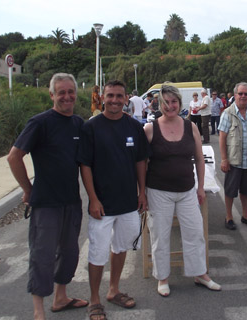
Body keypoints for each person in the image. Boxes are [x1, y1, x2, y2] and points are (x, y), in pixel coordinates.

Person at [7, 73, 88, 320]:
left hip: (71, 201)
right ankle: (38, 310)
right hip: (45, 204)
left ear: (75, 94)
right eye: (61, 92)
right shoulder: (40, 123)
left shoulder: (78, 124)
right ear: (52, 95)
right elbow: (14, 157)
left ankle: (61, 297)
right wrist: (28, 189)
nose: (66, 96)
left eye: (70, 91)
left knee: (70, 253)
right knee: (42, 256)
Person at [78, 80, 149, 319]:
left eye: (119, 96)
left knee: (120, 248)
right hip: (102, 205)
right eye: (110, 96)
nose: (115, 100)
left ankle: (113, 290)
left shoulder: (134, 127)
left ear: (126, 98)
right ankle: (95, 299)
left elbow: (141, 161)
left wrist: (142, 192)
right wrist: (93, 199)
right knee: (97, 253)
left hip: (128, 202)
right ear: (103, 98)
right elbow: (85, 165)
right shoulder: (92, 127)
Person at [144, 84, 221, 297]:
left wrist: (201, 187)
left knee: (195, 233)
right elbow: (141, 163)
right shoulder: (150, 129)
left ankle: (199, 274)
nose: (170, 106)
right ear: (160, 104)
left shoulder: (190, 127)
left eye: (174, 101)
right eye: (166, 102)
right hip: (158, 191)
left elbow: (199, 159)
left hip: (187, 189)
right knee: (160, 235)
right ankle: (162, 277)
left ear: (180, 102)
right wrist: (141, 192)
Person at [219, 82, 247, 230]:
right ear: (235, 95)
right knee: (230, 190)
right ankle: (229, 217)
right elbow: (222, 137)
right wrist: (224, 159)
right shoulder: (228, 113)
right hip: (233, 159)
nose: (243, 96)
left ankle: (245, 215)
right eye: (240, 93)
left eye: (246, 94)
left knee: (246, 190)